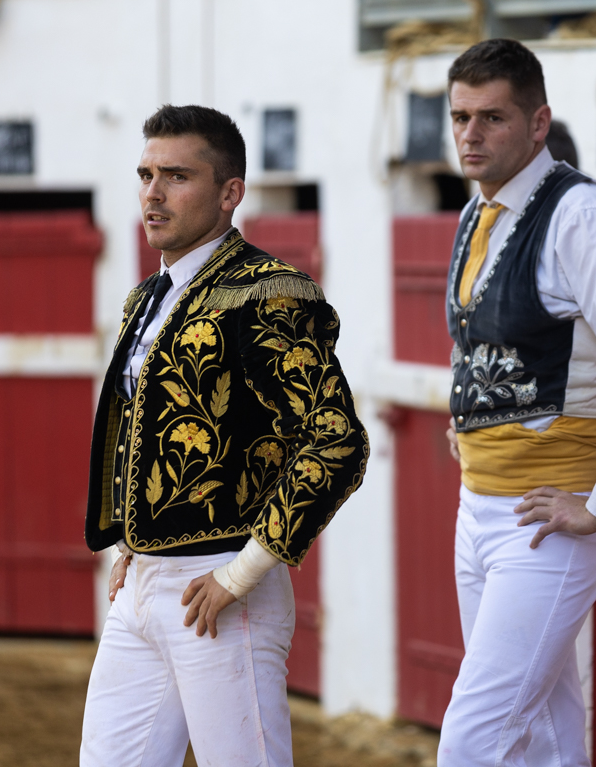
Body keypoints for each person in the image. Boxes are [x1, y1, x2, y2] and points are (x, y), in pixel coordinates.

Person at [80, 104, 367, 767]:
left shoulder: (268, 293)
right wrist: (130, 539)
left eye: (177, 176)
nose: (154, 193)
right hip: (142, 586)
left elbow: (336, 441)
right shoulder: (147, 298)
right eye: (146, 175)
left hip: (221, 587)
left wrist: (244, 572)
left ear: (230, 192)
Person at [438, 38, 596, 767]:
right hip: (481, 503)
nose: (471, 135)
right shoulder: (477, 213)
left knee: (473, 739)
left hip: (550, 514)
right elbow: (480, 340)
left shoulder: (583, 214)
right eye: (461, 118)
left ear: (539, 123)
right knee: (539, 727)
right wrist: (466, 416)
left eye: (492, 118)